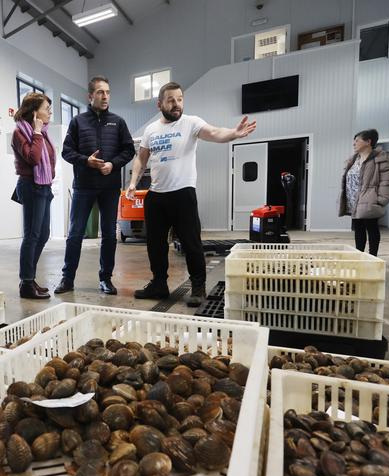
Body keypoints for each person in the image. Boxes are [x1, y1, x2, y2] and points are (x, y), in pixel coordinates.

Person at [127, 81, 256, 306]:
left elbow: (215, 132)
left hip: (182, 194)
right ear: (160, 104)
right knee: (155, 245)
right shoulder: (151, 130)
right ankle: (159, 284)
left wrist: (233, 134)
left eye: (179, 99)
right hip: (156, 196)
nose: (176, 104)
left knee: (191, 243)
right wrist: (132, 182)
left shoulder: (191, 123)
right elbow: (142, 158)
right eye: (171, 100)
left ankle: (198, 287)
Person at [54, 76, 136, 295]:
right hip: (84, 185)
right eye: (100, 92)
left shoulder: (118, 122)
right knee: (75, 233)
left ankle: (106, 279)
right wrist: (86, 161)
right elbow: (66, 151)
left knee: (109, 234)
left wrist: (113, 163)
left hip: (109, 187)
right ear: (90, 96)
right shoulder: (78, 122)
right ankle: (67, 279)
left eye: (108, 92)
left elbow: (129, 150)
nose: (105, 96)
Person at [12, 93, 56, 299]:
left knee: (43, 234)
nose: (49, 112)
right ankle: (26, 283)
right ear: (34, 111)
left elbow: (49, 159)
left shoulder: (43, 132)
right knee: (32, 235)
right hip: (31, 186)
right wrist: (37, 132)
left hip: (44, 187)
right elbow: (33, 157)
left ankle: (29, 278)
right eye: (46, 108)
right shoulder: (20, 132)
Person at [337, 129, 389, 256]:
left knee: (371, 227)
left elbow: (388, 182)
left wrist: (379, 200)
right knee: (358, 228)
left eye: (357, 141)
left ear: (368, 142)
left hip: (370, 200)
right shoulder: (353, 160)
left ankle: (372, 257)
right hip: (354, 200)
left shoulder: (382, 160)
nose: (354, 144)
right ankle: (360, 257)